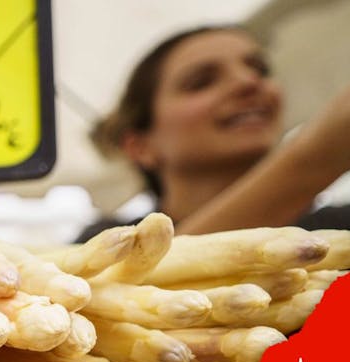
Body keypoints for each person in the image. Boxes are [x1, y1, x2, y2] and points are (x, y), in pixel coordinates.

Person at [80, 25, 350, 241]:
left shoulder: (340, 231)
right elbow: (132, 294)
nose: (248, 82)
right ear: (140, 146)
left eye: (260, 69)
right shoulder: (108, 244)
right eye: (201, 82)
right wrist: (313, 159)